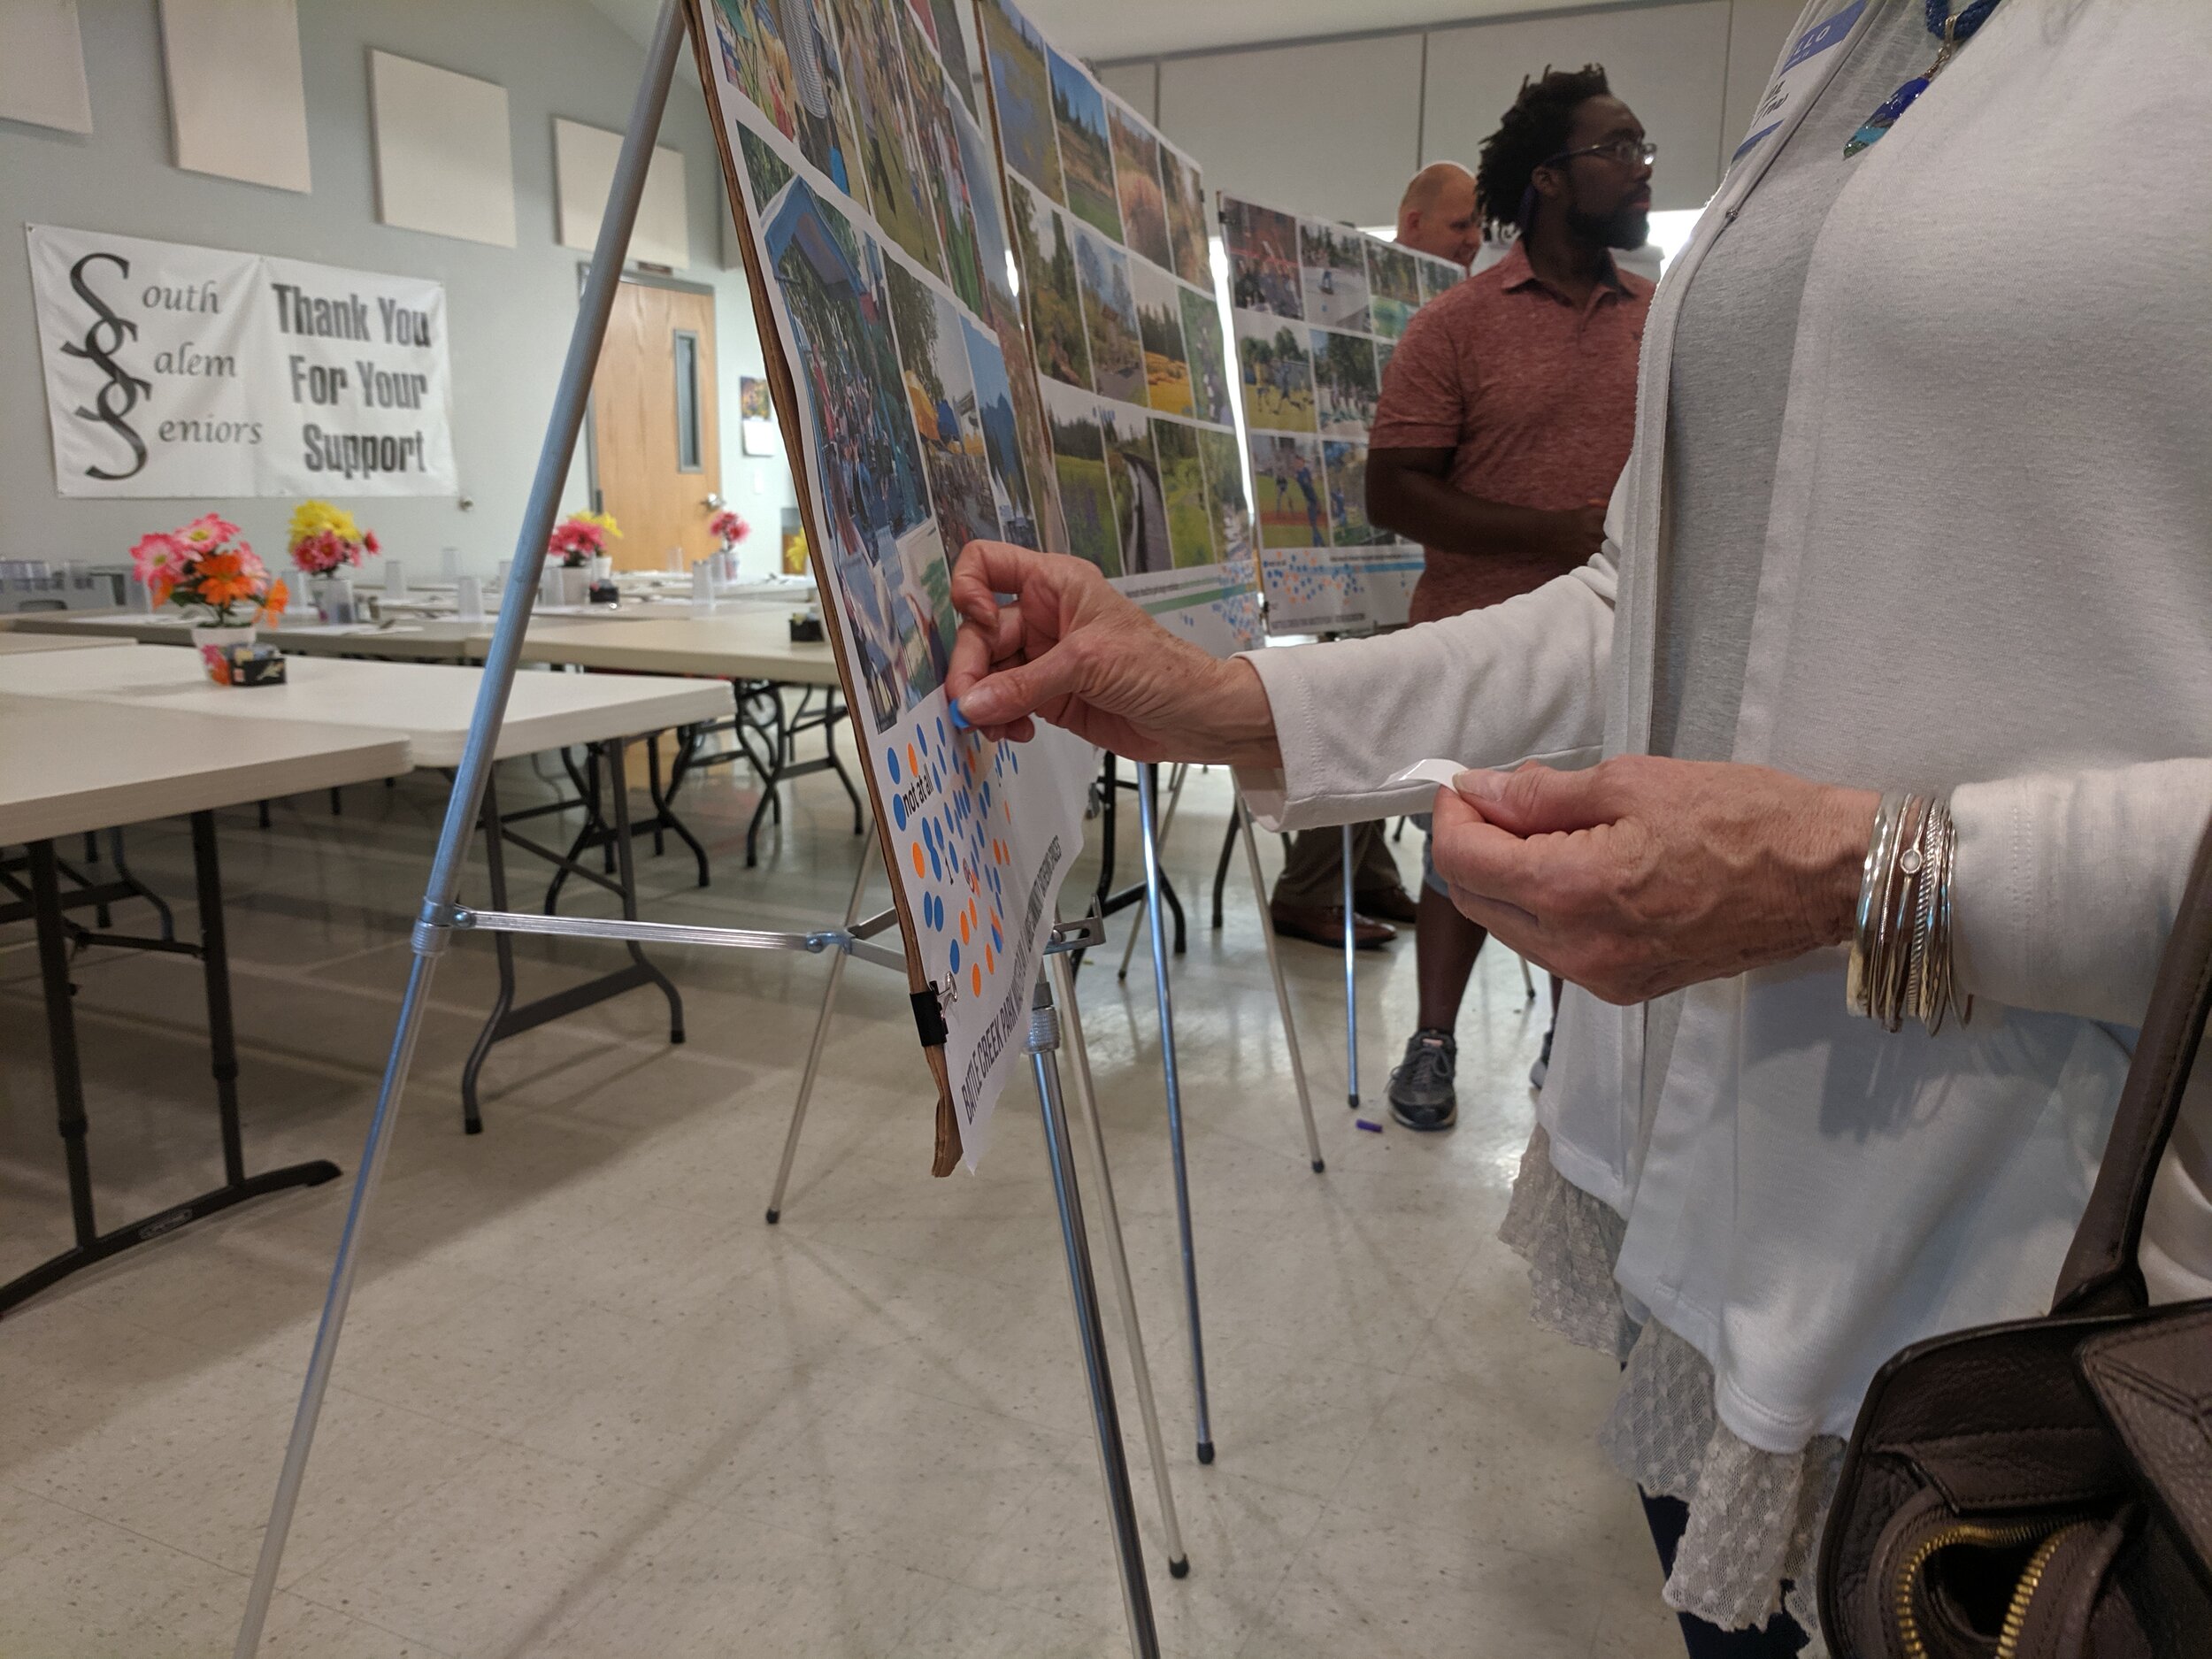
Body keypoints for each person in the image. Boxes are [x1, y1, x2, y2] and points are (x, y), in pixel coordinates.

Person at [941, 3, 2211, 1651]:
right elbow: (1648, 597)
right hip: (1704, 1185)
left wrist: (1872, 877)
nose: (1638, 163)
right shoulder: (1844, 51)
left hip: (2055, 1280)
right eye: (1608, 148)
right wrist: (1244, 706)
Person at [1366, 66, 1653, 1131]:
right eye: (1615, 150)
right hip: (1477, 644)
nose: (1638, 171)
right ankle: (1433, 1042)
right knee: (1460, 858)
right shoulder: (1455, 326)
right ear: (1547, 177)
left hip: (1620, 646)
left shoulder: (1664, 322)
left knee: (1593, 861)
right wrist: (1558, 534)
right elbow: (1391, 491)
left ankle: (1571, 1050)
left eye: (1643, 151)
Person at [1266, 160, 1486, 949]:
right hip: (1347, 560)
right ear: (1414, 221)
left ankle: (1368, 874)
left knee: (1397, 726)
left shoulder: (1453, 311)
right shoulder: (1360, 302)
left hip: (1411, 563)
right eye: (1461, 224)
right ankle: (1309, 888)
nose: (1473, 241)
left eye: (1481, 227)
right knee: (1360, 724)